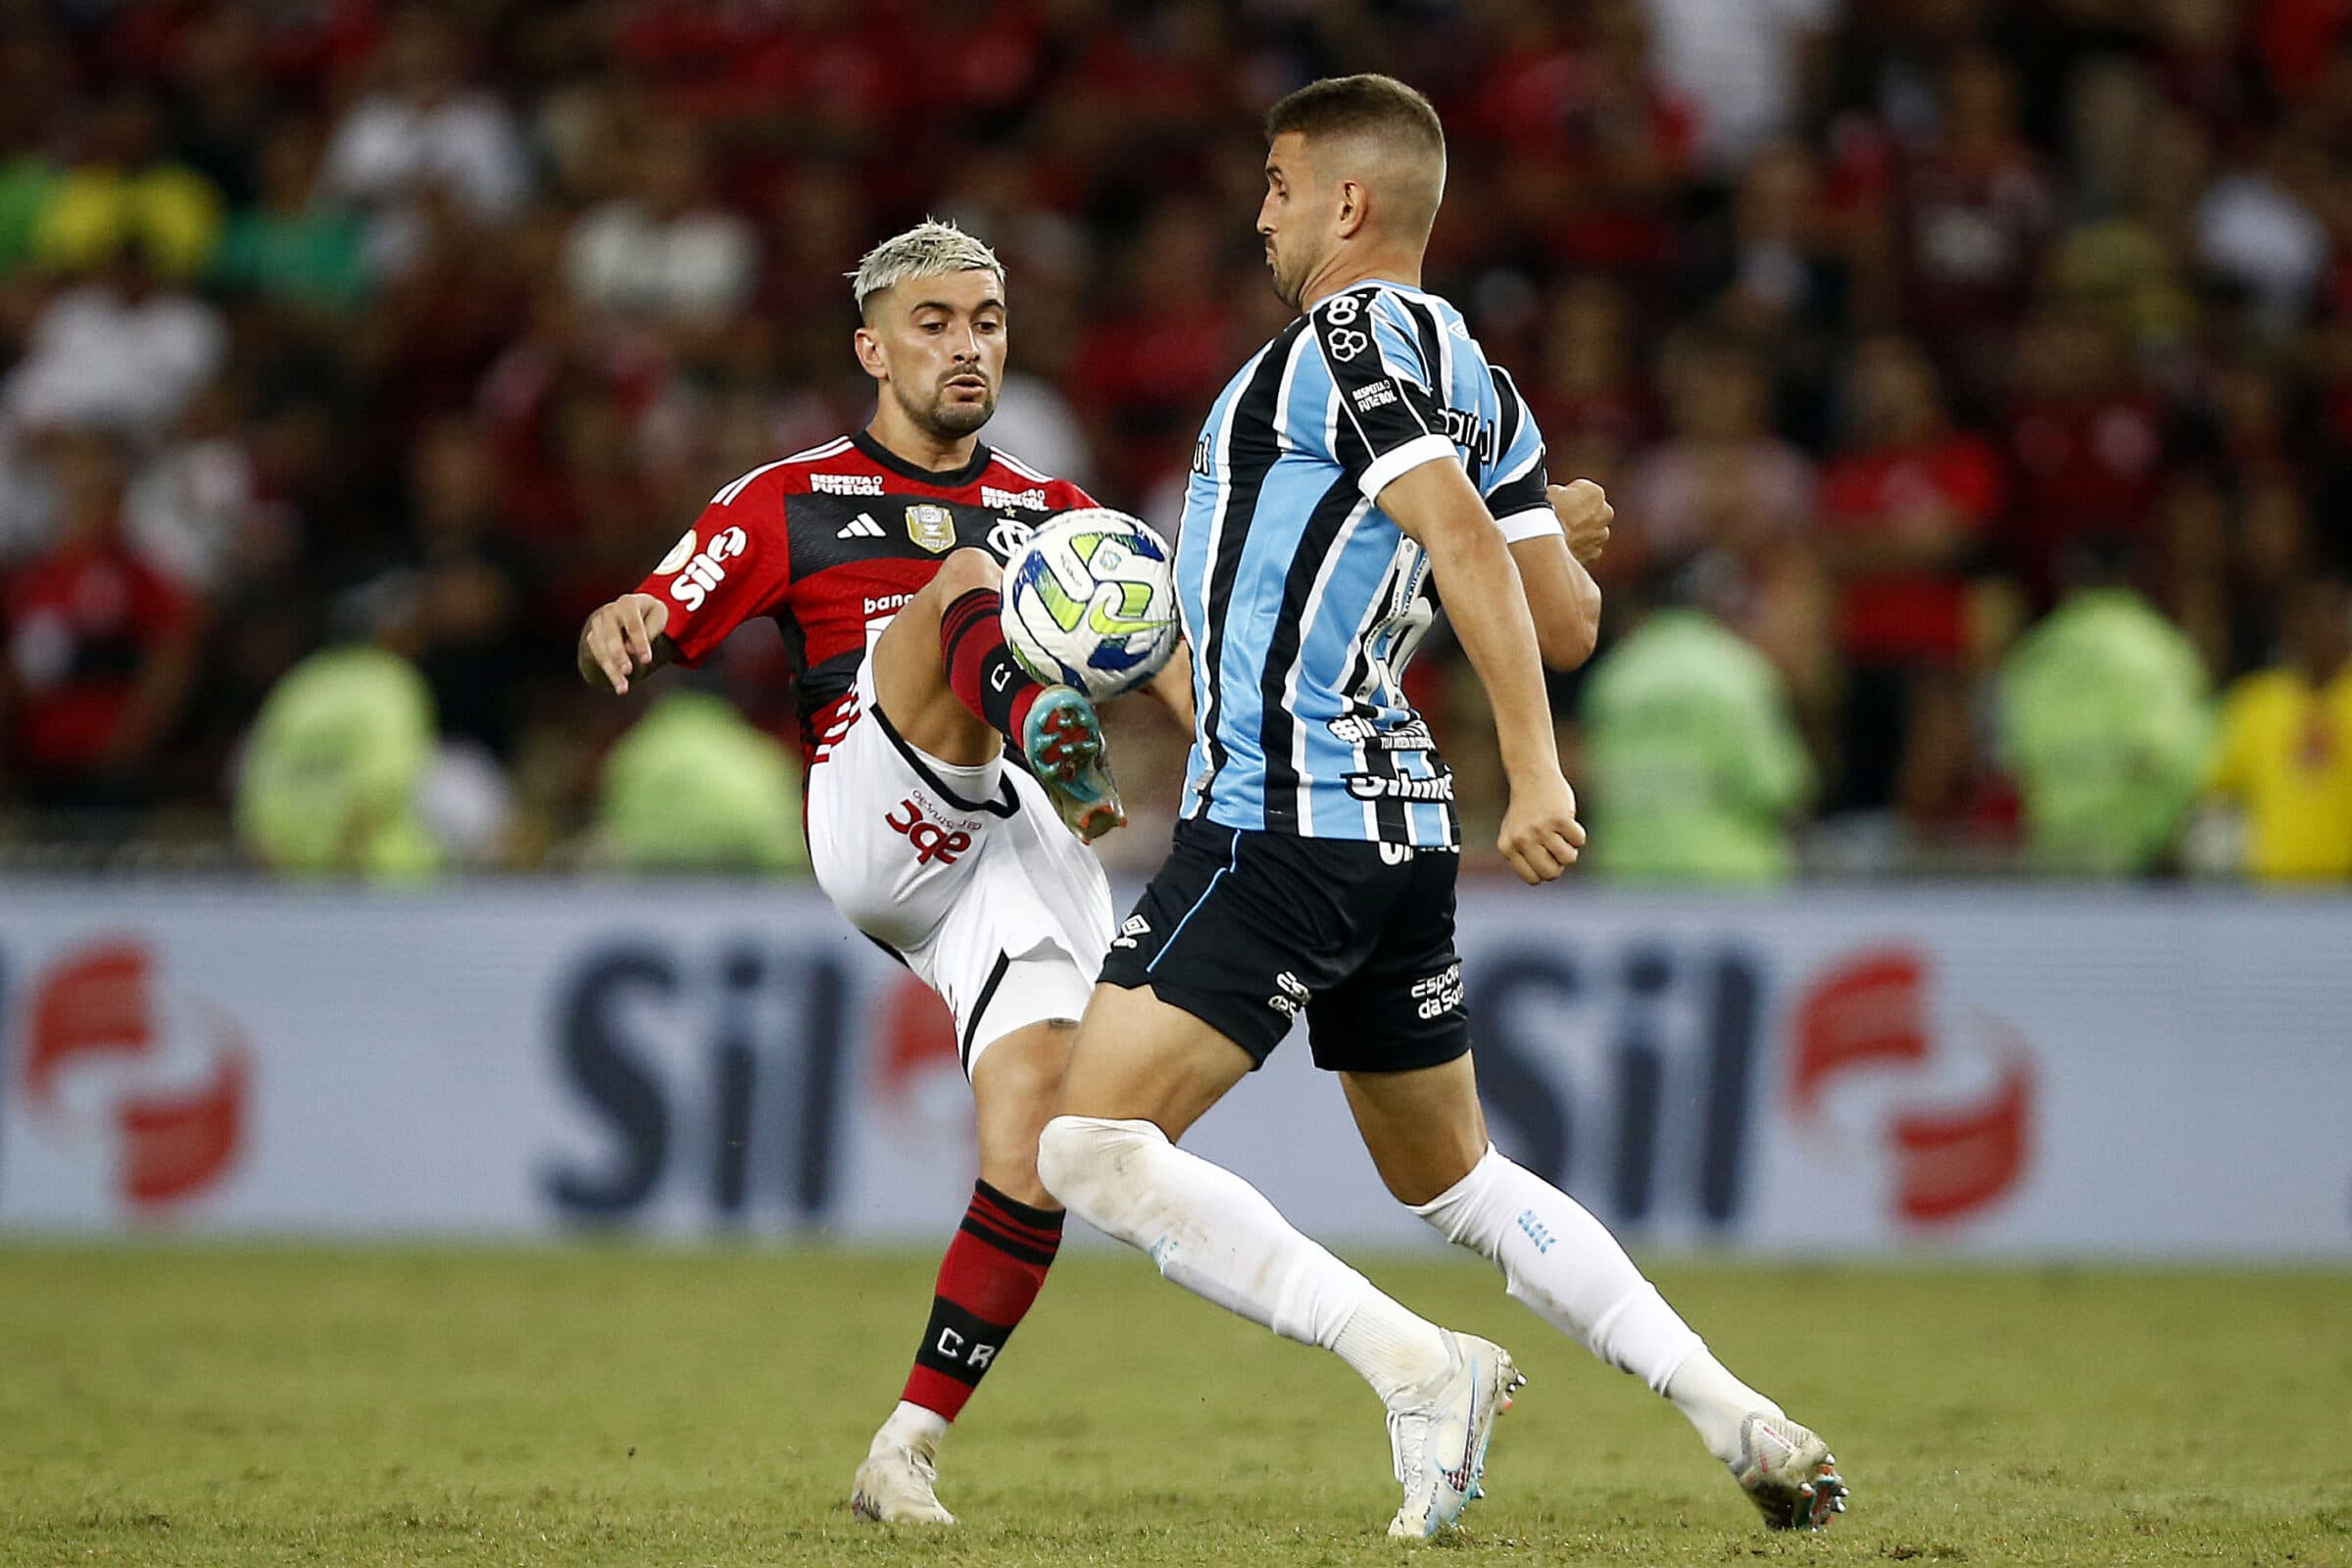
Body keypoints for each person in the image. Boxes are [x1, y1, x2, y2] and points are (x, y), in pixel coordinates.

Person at [1033, 76, 1847, 1540]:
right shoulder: (1474, 372)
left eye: (1278, 184)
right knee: (1457, 1181)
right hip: (1394, 824)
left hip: (1285, 808)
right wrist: (1558, 530)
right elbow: (1567, 616)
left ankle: (1418, 1368)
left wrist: (1536, 769)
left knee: (1085, 1145)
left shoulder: (1342, 340)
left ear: (1348, 202)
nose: (1260, 214)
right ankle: (1740, 1415)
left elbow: (1463, 545)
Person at [574, 220, 1164, 1524]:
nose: (967, 347)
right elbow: (660, 606)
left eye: (987, 323)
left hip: (1011, 848)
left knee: (1040, 1146)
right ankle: (1044, 723)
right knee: (965, 579)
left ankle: (903, 1448)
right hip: (880, 803)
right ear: (873, 349)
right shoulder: (790, 498)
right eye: (934, 324)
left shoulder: (1055, 510)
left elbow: (1173, 649)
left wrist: (1237, 744)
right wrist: (624, 618)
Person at [1580, 553, 1816, 882]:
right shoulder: (1737, 672)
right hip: (1731, 879)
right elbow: (1778, 787)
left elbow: (1590, 780)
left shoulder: (1615, 675)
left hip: (1627, 877)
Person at [1999, 538, 2209, 876]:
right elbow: (2174, 755)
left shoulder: (2038, 650)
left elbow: (2013, 752)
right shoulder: (2154, 646)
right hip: (2135, 859)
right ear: (2133, 578)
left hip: (2053, 855)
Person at [2201, 566, 2352, 881]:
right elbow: (2212, 790)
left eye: (2332, 614)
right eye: (2308, 616)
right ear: (2288, 627)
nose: (2320, 628)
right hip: (2272, 892)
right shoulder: (2255, 702)